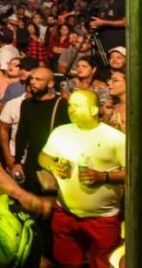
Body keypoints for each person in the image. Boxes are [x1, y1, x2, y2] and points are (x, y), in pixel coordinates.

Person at [39, 89, 124, 268]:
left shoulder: (115, 138)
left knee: (102, 263)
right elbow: (43, 156)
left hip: (102, 218)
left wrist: (104, 176)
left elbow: (132, 173)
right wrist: (53, 167)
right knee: (66, 262)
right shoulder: (61, 132)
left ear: (94, 110)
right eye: (70, 105)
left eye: (77, 106)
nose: (71, 109)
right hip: (65, 213)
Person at [13, 67, 70, 195]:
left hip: (52, 163)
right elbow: (22, 133)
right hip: (31, 163)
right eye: (32, 78)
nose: (33, 82)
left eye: (38, 79)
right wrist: (17, 161)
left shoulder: (61, 104)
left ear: (50, 84)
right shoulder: (26, 104)